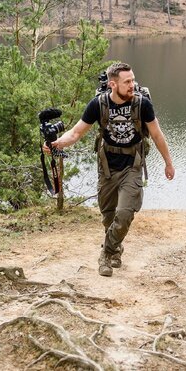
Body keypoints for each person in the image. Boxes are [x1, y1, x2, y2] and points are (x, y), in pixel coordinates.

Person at [46, 62, 175, 277]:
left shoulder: (143, 105)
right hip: (107, 167)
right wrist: (57, 144)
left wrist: (168, 162)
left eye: (133, 80)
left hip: (132, 165)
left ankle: (105, 254)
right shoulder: (98, 105)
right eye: (127, 82)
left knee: (124, 213)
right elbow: (76, 133)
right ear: (113, 84)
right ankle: (116, 249)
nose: (132, 85)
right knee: (108, 217)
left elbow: (157, 134)